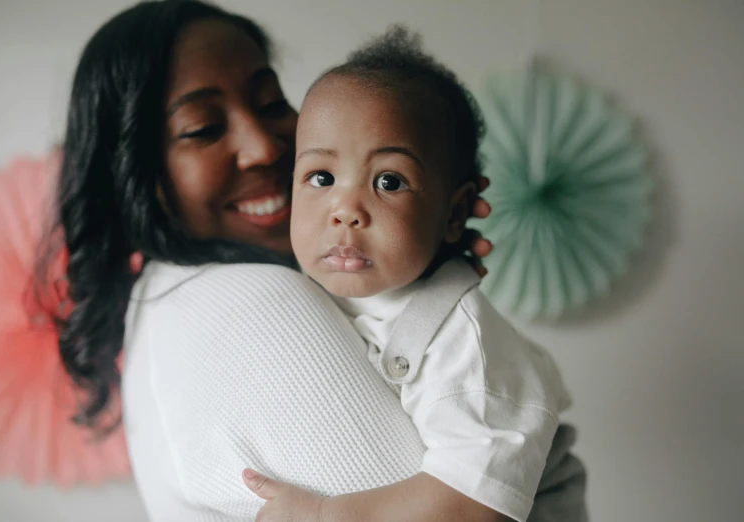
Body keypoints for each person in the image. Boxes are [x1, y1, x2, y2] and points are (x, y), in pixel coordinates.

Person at [37, 1, 584, 520]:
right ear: (134, 172)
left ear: (455, 209)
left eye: (272, 104)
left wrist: (416, 252)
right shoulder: (249, 303)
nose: (267, 148)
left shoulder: (453, 336)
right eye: (203, 128)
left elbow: (471, 503)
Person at [239, 26, 585, 522]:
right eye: (321, 177)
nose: (345, 209)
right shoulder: (304, 283)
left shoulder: (462, 344)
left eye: (388, 181)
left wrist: (321, 515)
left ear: (453, 213)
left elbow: (470, 504)